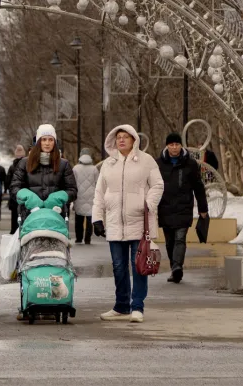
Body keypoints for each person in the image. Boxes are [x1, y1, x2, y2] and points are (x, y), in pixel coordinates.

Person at [91, 124, 164, 324]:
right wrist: (97, 218)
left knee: (139, 265)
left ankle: (137, 307)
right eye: (118, 137)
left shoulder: (146, 161)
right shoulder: (108, 164)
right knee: (118, 267)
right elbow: (99, 193)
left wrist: (148, 204)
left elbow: (158, 185)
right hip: (114, 223)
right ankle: (121, 306)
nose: (121, 140)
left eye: (126, 137)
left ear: (134, 140)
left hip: (139, 222)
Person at [156, 132, 209, 284]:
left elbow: (198, 187)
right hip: (165, 207)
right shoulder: (158, 163)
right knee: (169, 241)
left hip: (184, 206)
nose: (174, 147)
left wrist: (203, 209)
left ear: (181, 146)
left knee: (180, 238)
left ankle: (177, 267)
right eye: (171, 144)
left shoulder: (190, 164)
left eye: (177, 144)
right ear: (167, 146)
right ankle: (175, 268)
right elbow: (152, 186)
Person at [10, 124, 76, 220]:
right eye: (44, 139)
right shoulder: (24, 163)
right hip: (30, 217)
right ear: (38, 142)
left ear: (55, 142)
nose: (47, 143)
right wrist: (27, 196)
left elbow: (73, 191)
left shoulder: (63, 164)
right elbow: (14, 188)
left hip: (56, 217)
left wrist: (59, 197)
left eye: (50, 139)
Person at [72, 150, 99, 245]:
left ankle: (78, 238)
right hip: (91, 195)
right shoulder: (94, 169)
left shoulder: (75, 168)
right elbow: (97, 182)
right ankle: (88, 238)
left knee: (78, 217)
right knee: (89, 218)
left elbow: (72, 183)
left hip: (79, 195)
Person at [6, 144, 26, 234]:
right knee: (23, 213)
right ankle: (22, 230)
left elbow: (8, 180)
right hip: (25, 193)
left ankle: (13, 229)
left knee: (14, 214)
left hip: (14, 194)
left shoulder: (12, 167)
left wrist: (8, 190)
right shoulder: (27, 165)